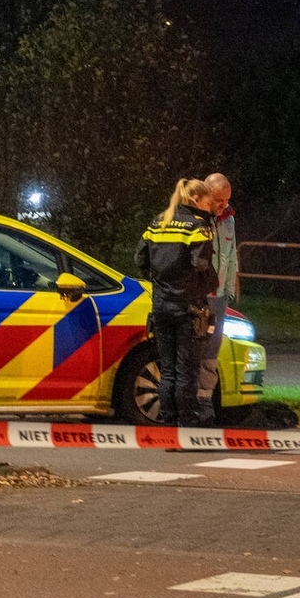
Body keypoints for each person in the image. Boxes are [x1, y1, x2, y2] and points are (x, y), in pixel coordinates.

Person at [135, 178, 216, 427]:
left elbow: (140, 260)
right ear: (196, 200)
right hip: (188, 307)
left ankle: (168, 422)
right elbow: (200, 264)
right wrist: (207, 283)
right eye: (208, 202)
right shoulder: (198, 226)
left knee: (167, 370)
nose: (210, 207)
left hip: (160, 305)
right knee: (186, 371)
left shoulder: (157, 222)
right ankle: (187, 423)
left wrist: (160, 280)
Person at [196, 173, 238, 417]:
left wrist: (228, 291)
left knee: (212, 351)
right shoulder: (196, 220)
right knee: (193, 350)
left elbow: (231, 257)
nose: (224, 205)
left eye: (227, 200)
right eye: (219, 200)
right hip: (197, 296)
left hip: (218, 297)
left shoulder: (229, 220)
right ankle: (189, 402)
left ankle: (204, 400)